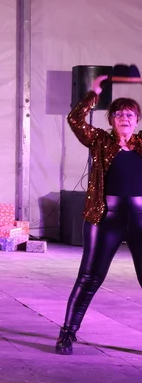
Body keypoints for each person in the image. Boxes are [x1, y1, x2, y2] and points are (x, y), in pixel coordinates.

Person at [56, 74, 142, 354]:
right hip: (105, 218)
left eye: (129, 114)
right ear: (111, 120)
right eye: (118, 114)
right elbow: (75, 120)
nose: (124, 118)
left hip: (140, 219)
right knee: (89, 277)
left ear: (137, 121)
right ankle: (67, 333)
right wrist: (93, 93)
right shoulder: (100, 141)